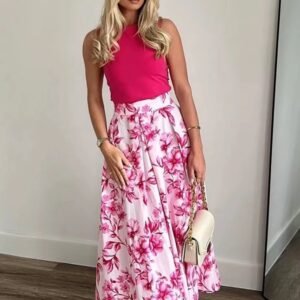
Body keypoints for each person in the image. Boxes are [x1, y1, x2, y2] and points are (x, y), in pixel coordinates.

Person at [82, 0, 221, 299]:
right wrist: (104, 144)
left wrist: (197, 147)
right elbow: (94, 97)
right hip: (125, 144)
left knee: (177, 221)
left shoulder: (164, 30)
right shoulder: (96, 40)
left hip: (167, 141)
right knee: (137, 226)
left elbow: (183, 88)